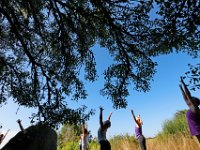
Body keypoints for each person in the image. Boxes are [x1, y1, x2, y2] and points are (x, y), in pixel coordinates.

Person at [179, 77, 200, 142]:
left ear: (195, 102)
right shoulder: (191, 107)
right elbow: (185, 97)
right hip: (196, 130)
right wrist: (181, 88)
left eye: (192, 99)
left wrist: (184, 84)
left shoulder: (195, 108)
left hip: (198, 129)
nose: (190, 99)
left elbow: (188, 95)